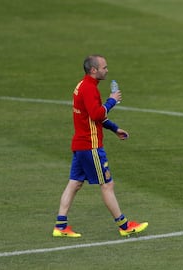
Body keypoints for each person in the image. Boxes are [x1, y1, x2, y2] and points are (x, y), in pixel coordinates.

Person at [52, 54, 148, 237]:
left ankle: (61, 226)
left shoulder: (83, 85)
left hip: (81, 144)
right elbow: (96, 115)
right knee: (107, 185)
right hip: (91, 146)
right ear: (93, 70)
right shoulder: (89, 88)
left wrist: (114, 128)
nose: (107, 70)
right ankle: (124, 225)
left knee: (75, 183)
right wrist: (112, 100)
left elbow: (93, 116)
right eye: (104, 67)